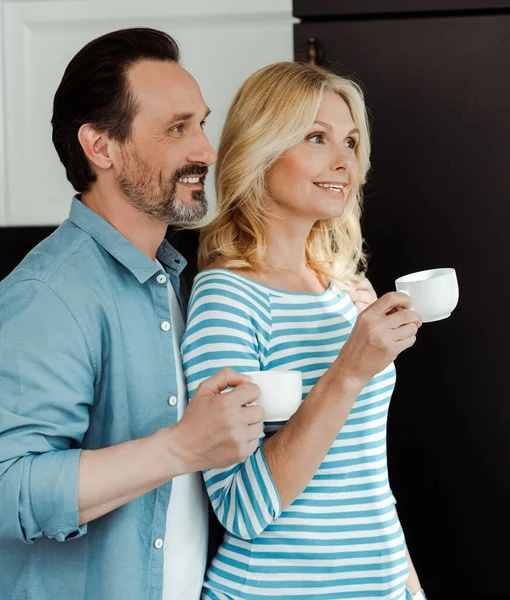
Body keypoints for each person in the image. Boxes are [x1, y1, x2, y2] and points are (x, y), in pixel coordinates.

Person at [0, 28, 266, 600]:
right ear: (100, 148)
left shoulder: (169, 281)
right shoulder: (48, 298)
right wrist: (182, 446)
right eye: (177, 128)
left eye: (201, 123)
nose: (204, 149)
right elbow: (1, 489)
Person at [181, 61, 427, 599]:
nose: (345, 161)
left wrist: (408, 586)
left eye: (351, 141)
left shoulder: (344, 291)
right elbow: (240, 508)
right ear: (261, 149)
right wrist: (347, 371)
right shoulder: (227, 297)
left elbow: (363, 477)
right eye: (318, 137)